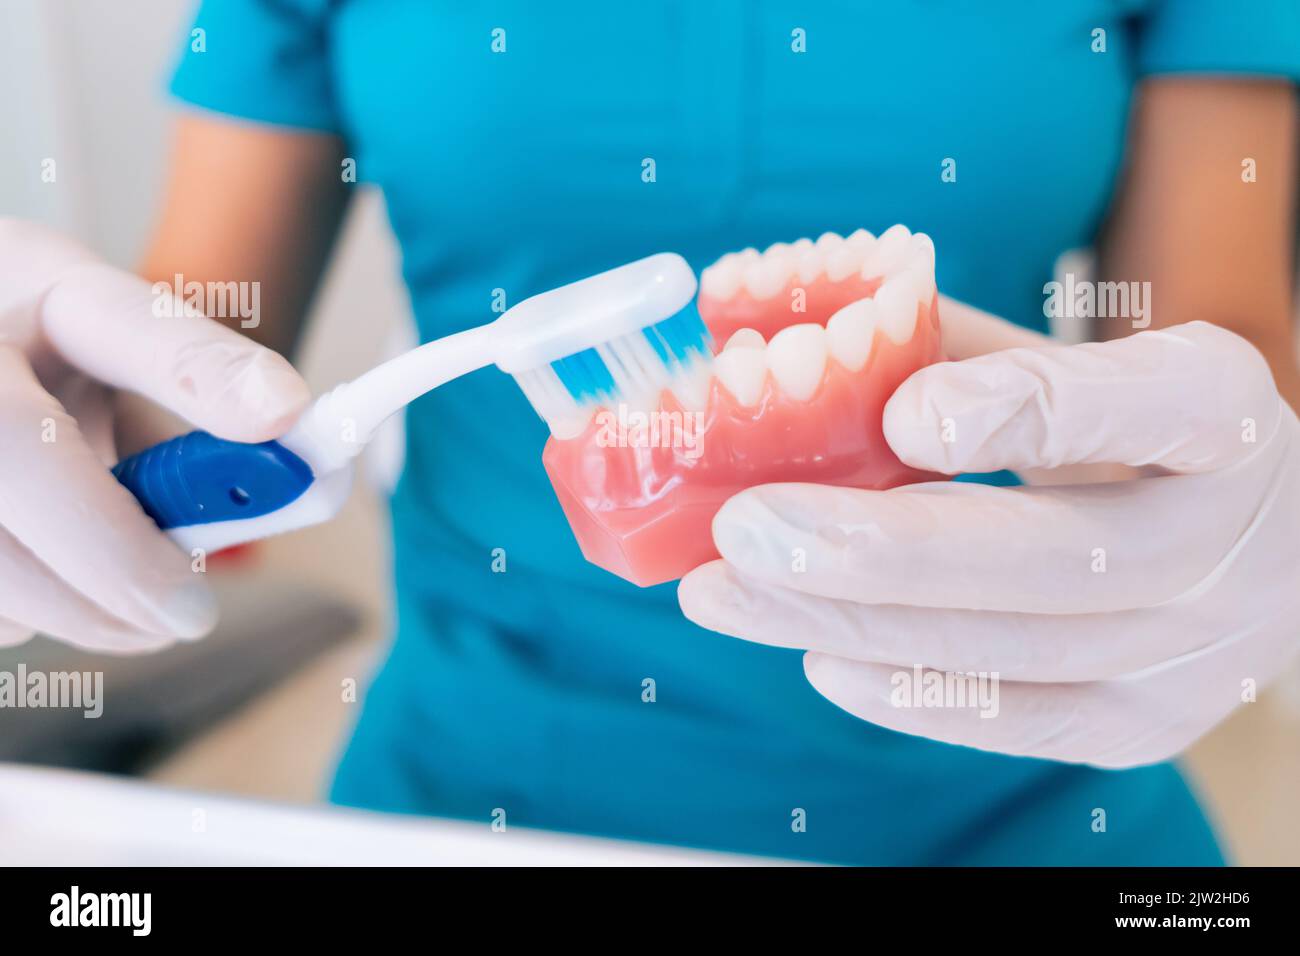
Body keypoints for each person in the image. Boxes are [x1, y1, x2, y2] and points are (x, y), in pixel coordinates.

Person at [2, 2, 1298, 864]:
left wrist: (1249, 502)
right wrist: (58, 422)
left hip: (1036, 809)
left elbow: (1215, 355)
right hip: (474, 814)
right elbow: (192, 362)